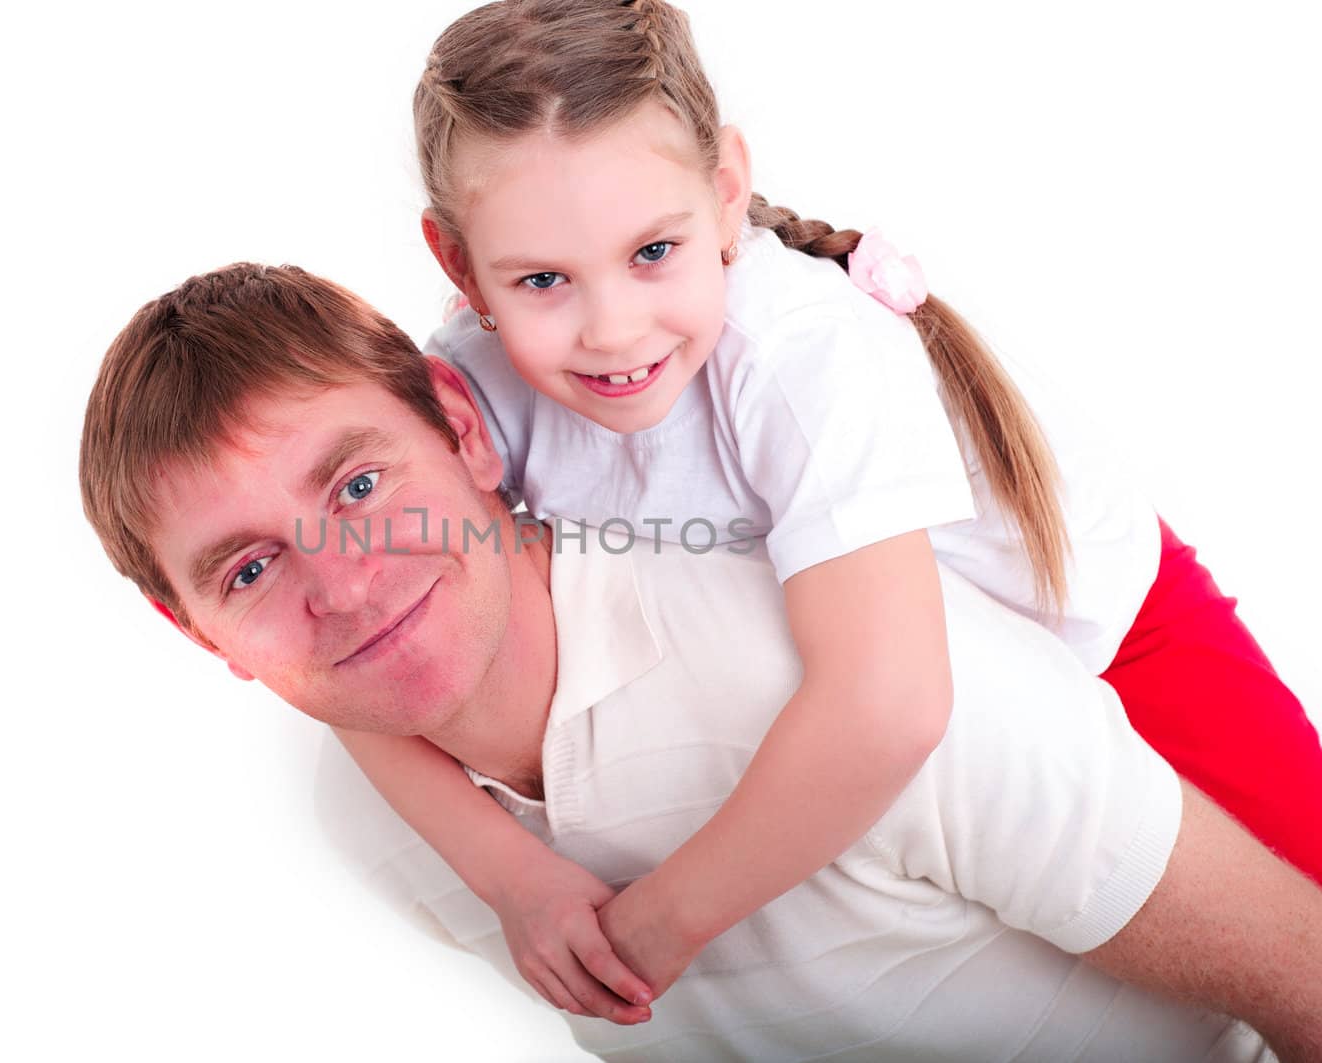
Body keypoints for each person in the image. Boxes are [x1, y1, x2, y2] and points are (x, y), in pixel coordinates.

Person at [324, 0, 1322, 1022]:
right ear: (455, 264)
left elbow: (888, 705)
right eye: (541, 279)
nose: (613, 329)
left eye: (652, 253)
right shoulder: (469, 390)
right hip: (954, 739)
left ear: (723, 196)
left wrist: (667, 918)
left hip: (1116, 638)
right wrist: (512, 879)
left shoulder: (800, 357)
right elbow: (340, 641)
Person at [77, 262, 1321, 1060]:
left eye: (359, 483)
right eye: (246, 572)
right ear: (197, 633)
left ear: (465, 428)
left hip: (1115, 608)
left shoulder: (812, 652)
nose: (341, 585)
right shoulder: (367, 810)